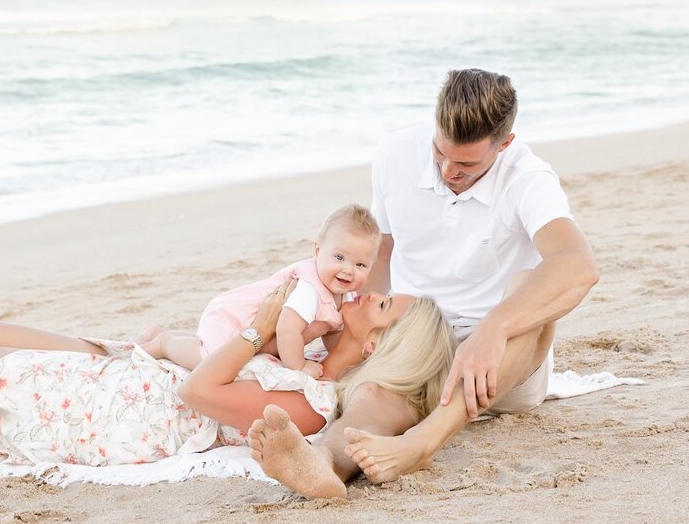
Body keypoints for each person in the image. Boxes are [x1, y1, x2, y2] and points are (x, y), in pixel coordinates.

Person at [249, 68, 600, 499]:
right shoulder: (396, 152)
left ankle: (422, 441)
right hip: (415, 335)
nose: (448, 170)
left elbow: (579, 266)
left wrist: (494, 329)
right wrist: (360, 331)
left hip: (500, 364)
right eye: (440, 153)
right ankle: (323, 464)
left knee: (532, 290)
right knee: (374, 397)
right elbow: (382, 252)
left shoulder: (528, 178)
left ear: (504, 144)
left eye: (466, 164)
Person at [0, 278, 455, 483]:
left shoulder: (312, 403)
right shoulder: (310, 355)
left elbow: (199, 394)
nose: (366, 292)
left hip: (131, 414)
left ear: (384, 341)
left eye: (383, 304)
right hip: (138, 377)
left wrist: (253, 331)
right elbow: (198, 358)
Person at [140, 204, 380, 379]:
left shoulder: (345, 297)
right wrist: (299, 366)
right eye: (339, 257)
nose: (348, 270)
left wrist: (336, 361)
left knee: (219, 347)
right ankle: (165, 344)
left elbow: (331, 333)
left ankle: (164, 333)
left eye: (360, 265)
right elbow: (287, 330)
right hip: (235, 318)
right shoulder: (309, 289)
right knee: (209, 358)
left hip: (252, 334)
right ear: (317, 250)